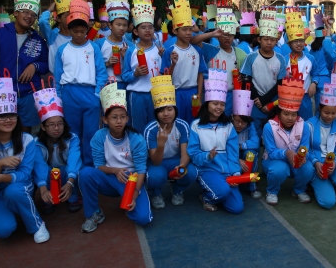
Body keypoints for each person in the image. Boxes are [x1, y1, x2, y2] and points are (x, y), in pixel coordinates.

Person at [0, 74, 49, 243]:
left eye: (12, 115)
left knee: (14, 191)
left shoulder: (27, 140)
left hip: (18, 187)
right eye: (1, 116)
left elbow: (25, 174)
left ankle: (36, 225)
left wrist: (1, 177)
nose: (8, 120)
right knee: (3, 230)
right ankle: (3, 214)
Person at [80, 84, 153, 232]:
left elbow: (141, 170)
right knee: (85, 173)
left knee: (143, 218)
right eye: (114, 117)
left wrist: (135, 194)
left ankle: (132, 199)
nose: (119, 121)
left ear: (127, 119)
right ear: (105, 120)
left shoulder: (136, 138)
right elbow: (99, 165)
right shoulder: (99, 136)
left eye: (122, 117)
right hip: (109, 177)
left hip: (131, 180)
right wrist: (114, 170)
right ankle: (93, 213)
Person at [0, 0, 49, 132]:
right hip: (3, 95)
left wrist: (34, 66)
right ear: (16, 12)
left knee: (26, 134)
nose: (29, 16)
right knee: (4, 133)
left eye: (33, 14)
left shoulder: (38, 40)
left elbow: (46, 64)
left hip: (29, 94)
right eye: (25, 12)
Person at [54, 0, 106, 165]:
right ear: (69, 30)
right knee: (72, 132)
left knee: (91, 131)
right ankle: (73, 165)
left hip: (90, 93)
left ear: (87, 30)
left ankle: (89, 165)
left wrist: (97, 93)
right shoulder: (62, 49)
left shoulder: (93, 48)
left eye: (82, 31)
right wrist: (58, 96)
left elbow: (101, 72)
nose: (78, 35)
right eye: (75, 31)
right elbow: (57, 76)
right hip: (69, 92)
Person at [187, 76, 243, 214]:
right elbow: (193, 153)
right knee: (222, 191)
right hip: (207, 170)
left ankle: (218, 192)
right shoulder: (196, 125)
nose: (219, 107)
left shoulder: (228, 126)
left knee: (236, 208)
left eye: (222, 104)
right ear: (207, 104)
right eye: (215, 103)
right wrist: (208, 156)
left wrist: (235, 173)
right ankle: (207, 197)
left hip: (227, 171)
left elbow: (233, 153)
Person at [144, 75, 197, 209]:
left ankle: (178, 190)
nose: (166, 114)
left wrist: (181, 166)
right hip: (157, 163)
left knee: (191, 172)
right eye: (161, 110)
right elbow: (155, 161)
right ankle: (156, 193)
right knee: (155, 176)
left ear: (175, 110)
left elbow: (185, 153)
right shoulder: (150, 129)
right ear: (156, 113)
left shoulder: (182, 125)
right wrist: (161, 143)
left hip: (176, 160)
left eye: (169, 109)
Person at [261, 77, 313, 206]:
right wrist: (287, 153)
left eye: (294, 114)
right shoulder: (269, 127)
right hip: (273, 160)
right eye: (286, 114)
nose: (290, 118)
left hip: (296, 159)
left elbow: (305, 146)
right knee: (279, 169)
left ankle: (299, 190)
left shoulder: (304, 125)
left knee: (308, 168)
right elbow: (271, 152)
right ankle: (272, 191)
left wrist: (302, 155)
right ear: (279, 113)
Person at [31, 83, 81, 214]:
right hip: (47, 176)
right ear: (43, 127)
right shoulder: (36, 143)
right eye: (51, 125)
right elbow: (39, 165)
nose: (57, 128)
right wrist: (42, 187)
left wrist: (70, 182)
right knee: (45, 170)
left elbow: (74, 159)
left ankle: (73, 194)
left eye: (60, 124)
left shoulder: (72, 138)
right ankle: (47, 196)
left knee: (75, 168)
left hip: (67, 174)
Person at [191, 5, 247, 116]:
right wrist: (212, 33)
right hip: (211, 97)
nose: (227, 38)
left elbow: (246, 74)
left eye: (230, 35)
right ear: (218, 36)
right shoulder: (211, 50)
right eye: (224, 35)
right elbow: (192, 41)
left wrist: (242, 77)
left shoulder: (239, 53)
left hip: (231, 96)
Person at [160, 0, 206, 125]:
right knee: (176, 124)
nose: (188, 33)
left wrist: (199, 95)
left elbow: (200, 74)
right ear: (175, 31)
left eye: (190, 29)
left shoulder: (197, 51)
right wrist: (173, 64)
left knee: (193, 123)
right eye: (184, 29)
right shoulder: (169, 51)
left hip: (193, 93)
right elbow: (165, 78)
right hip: (175, 93)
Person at [306, 80, 336, 207]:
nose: (330, 116)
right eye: (326, 112)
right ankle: (313, 181)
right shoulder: (309, 125)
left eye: (334, 113)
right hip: (317, 163)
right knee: (328, 203)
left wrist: (335, 163)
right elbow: (305, 148)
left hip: (333, 162)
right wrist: (315, 162)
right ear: (319, 108)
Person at [122, 0, 163, 132]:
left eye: (150, 27)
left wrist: (167, 59)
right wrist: (136, 73)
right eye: (143, 27)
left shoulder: (159, 49)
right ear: (135, 31)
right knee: (137, 128)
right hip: (137, 95)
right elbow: (125, 75)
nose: (147, 30)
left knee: (154, 128)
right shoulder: (131, 51)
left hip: (156, 94)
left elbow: (166, 72)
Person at [240, 11, 287, 132]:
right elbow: (246, 79)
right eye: (266, 39)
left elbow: (281, 82)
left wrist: (265, 99)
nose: (269, 42)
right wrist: (258, 99)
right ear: (259, 39)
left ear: (276, 40)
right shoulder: (251, 57)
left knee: (272, 132)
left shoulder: (280, 59)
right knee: (254, 132)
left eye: (272, 39)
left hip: (273, 103)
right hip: (254, 102)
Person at [280, 9, 319, 121]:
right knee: (289, 122)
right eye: (295, 41)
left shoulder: (310, 58)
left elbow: (316, 74)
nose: (299, 44)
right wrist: (286, 77)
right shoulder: (284, 59)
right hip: (288, 97)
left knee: (305, 123)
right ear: (289, 43)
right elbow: (279, 78)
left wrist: (314, 83)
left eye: (301, 41)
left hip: (305, 97)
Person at [230, 83, 262, 199]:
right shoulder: (228, 127)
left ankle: (252, 185)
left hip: (244, 153)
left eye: (243, 122)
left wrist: (241, 146)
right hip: (231, 156)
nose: (239, 125)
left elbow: (255, 142)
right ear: (232, 118)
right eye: (237, 121)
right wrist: (237, 159)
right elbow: (224, 147)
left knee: (251, 153)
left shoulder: (250, 126)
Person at [96, 0, 130, 90]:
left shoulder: (130, 45)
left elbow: (133, 69)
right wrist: (107, 63)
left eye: (125, 25)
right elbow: (93, 67)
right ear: (110, 25)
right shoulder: (99, 44)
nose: (122, 28)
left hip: (124, 85)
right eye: (118, 25)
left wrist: (126, 57)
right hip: (106, 85)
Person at [39, 0, 73, 73]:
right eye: (67, 16)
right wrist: (49, 10)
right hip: (56, 78)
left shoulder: (77, 36)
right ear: (58, 19)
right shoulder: (53, 36)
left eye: (71, 16)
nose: (70, 19)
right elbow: (42, 21)